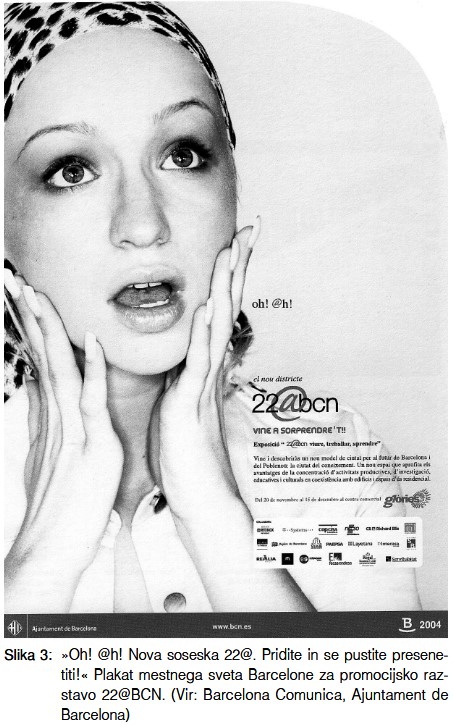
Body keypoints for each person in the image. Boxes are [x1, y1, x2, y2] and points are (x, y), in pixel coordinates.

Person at [4, 1, 420, 614]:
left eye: (183, 155)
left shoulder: (334, 457)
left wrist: (218, 520)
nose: (143, 225)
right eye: (72, 170)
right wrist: (38, 567)